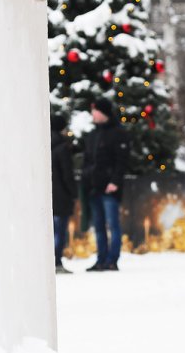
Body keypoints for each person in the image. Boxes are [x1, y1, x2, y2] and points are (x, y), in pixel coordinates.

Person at [82, 98, 130, 272]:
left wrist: (115, 182)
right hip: (94, 187)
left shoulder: (118, 133)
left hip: (109, 189)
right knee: (99, 226)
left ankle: (112, 259)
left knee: (112, 225)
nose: (93, 114)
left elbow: (122, 161)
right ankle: (101, 259)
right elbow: (88, 160)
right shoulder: (93, 134)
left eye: (96, 111)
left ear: (104, 113)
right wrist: (86, 179)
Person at [50, 114, 77, 274]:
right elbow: (67, 174)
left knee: (52, 231)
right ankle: (57, 261)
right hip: (62, 196)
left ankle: (53, 261)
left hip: (51, 195)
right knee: (59, 232)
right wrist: (73, 193)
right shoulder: (62, 148)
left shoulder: (46, 145)